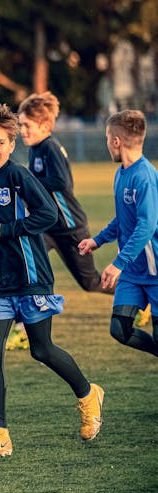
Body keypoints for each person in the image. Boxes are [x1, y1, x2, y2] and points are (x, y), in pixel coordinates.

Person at [0, 103, 104, 458]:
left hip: (30, 276)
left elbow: (48, 214)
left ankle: (88, 394)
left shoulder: (20, 175)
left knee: (42, 349)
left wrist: (4, 229)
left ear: (11, 146)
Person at [5, 92, 120, 351]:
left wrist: (28, 185)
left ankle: (142, 296)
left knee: (91, 282)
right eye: (20, 125)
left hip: (69, 228)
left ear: (45, 126)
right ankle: (22, 328)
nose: (22, 130)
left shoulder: (51, 148)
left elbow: (62, 183)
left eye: (27, 125)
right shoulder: (35, 148)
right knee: (22, 263)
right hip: (45, 227)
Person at [78, 109, 158, 357]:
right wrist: (98, 240)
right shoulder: (121, 173)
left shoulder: (144, 177)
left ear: (116, 141)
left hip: (155, 272)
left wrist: (117, 264)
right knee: (119, 329)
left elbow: (146, 225)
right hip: (133, 274)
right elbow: (124, 218)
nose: (107, 145)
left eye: (106, 139)